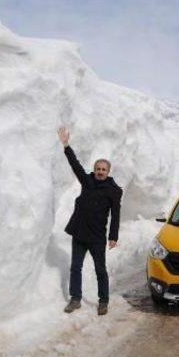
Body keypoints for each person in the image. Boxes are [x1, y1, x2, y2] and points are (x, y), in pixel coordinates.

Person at [57, 127, 122, 315]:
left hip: (97, 237)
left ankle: (103, 301)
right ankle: (75, 299)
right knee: (75, 267)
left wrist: (113, 237)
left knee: (100, 270)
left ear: (108, 172)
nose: (100, 172)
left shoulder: (114, 190)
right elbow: (75, 164)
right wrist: (66, 145)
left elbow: (116, 214)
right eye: (97, 169)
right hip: (79, 233)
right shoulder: (87, 181)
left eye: (103, 170)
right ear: (94, 170)